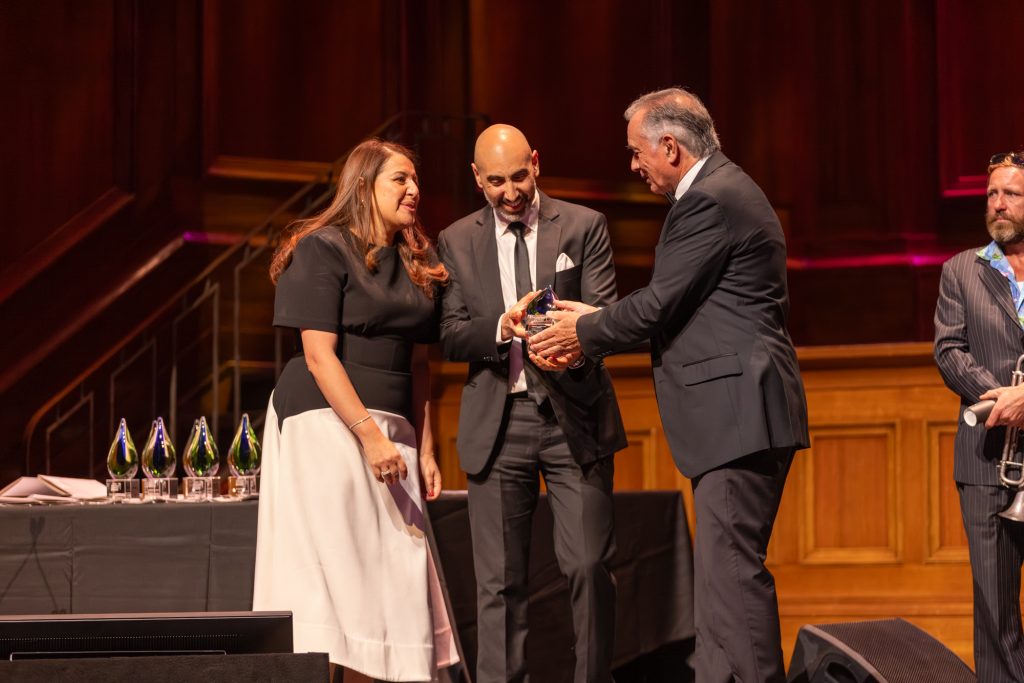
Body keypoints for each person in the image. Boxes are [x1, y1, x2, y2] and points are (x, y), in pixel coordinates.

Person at [529, 88, 809, 683]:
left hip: (738, 415)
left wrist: (585, 331)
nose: (633, 166)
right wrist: (591, 320)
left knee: (732, 579)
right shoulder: (723, 189)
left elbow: (658, 305)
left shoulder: (709, 200)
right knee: (717, 591)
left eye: (637, 153)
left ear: (670, 147)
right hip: (736, 415)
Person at [253, 139, 459, 682]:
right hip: (326, 421)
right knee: (339, 571)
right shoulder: (323, 248)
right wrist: (368, 435)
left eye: (417, 180)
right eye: (400, 180)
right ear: (364, 185)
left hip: (393, 426)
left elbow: (420, 366)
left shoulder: (418, 260)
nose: (414, 190)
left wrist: (426, 447)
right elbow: (319, 357)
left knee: (396, 568)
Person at [437, 124, 626, 683]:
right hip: (498, 424)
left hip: (575, 417)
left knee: (589, 566)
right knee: (499, 583)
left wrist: (570, 347)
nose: (510, 191)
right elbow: (448, 334)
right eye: (495, 181)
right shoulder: (455, 239)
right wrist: (501, 327)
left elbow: (605, 319)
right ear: (477, 178)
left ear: (536, 163)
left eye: (519, 176)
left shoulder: (584, 226)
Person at [934, 151, 1024, 683]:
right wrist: (1004, 400)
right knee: (995, 615)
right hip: (987, 460)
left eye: (1011, 194)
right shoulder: (960, 270)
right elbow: (950, 352)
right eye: (991, 195)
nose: (998, 205)